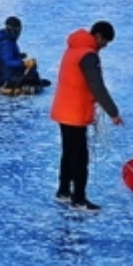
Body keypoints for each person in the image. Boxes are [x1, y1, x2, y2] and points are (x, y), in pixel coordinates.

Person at [50, 20, 121, 211]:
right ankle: (79, 199)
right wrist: (113, 113)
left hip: (63, 109)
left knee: (68, 152)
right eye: (105, 42)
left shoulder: (73, 48)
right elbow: (97, 87)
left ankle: (64, 191)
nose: (104, 47)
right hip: (75, 112)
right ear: (98, 36)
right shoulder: (88, 55)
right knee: (80, 157)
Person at [0, 16, 47, 93]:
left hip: (4, 73)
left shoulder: (6, 40)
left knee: (30, 67)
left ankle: (34, 82)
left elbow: (4, 56)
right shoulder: (6, 43)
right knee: (32, 69)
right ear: (15, 30)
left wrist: (18, 56)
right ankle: (34, 84)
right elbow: (8, 61)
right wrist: (24, 63)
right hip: (7, 77)